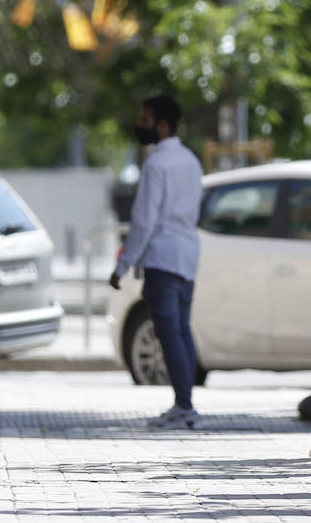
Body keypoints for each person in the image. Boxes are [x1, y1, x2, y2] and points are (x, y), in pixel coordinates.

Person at [111, 95, 205, 429]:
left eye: (146, 119)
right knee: (181, 329)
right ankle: (186, 401)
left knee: (170, 332)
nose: (141, 125)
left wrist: (122, 267)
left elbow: (144, 220)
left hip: (163, 258)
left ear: (162, 125)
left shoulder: (156, 164)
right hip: (187, 255)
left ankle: (184, 405)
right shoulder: (191, 161)